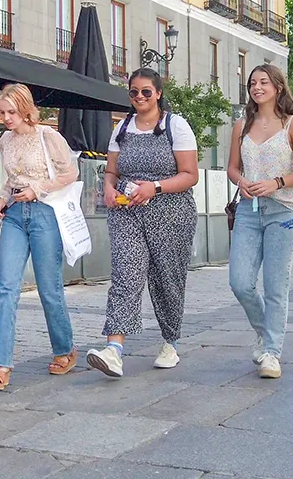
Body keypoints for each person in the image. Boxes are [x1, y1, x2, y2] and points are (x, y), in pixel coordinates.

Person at [87, 69, 199, 377]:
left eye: (146, 92)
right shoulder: (122, 128)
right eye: (134, 92)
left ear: (159, 93)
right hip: (127, 212)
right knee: (126, 273)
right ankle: (114, 349)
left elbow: (190, 175)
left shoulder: (175, 126)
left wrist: (155, 187)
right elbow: (111, 171)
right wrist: (108, 188)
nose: (139, 98)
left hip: (170, 211)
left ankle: (170, 342)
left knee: (167, 279)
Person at [0, 83, 79, 391]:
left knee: (49, 288)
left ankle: (65, 349)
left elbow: (70, 174)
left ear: (26, 110)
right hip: (14, 214)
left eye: (11, 112)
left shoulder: (48, 136)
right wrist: (1, 196)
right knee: (7, 288)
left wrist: (37, 189)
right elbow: (9, 180)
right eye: (2, 113)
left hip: (44, 213)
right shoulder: (5, 140)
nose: (6, 118)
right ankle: (1, 365)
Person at [227, 64, 293, 379]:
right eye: (252, 82)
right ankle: (265, 332)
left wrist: (276, 182)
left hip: (285, 212)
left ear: (278, 87)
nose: (257, 87)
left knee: (277, 285)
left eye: (264, 82)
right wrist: (243, 182)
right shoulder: (241, 125)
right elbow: (233, 168)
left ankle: (272, 353)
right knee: (240, 282)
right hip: (249, 212)